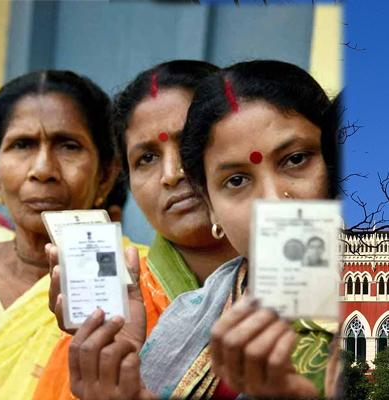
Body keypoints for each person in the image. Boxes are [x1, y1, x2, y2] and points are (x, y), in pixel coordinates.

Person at [66, 60, 342, 399]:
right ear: (210, 204)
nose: (273, 201)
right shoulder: (184, 325)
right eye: (236, 180)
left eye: (296, 159)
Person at [34, 60, 239, 400]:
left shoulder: (304, 285)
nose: (172, 173)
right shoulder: (111, 315)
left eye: (189, 142)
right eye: (146, 158)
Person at [0, 70, 119, 399]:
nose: (44, 170)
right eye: (22, 145)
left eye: (68, 146)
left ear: (106, 175)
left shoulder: (140, 279)